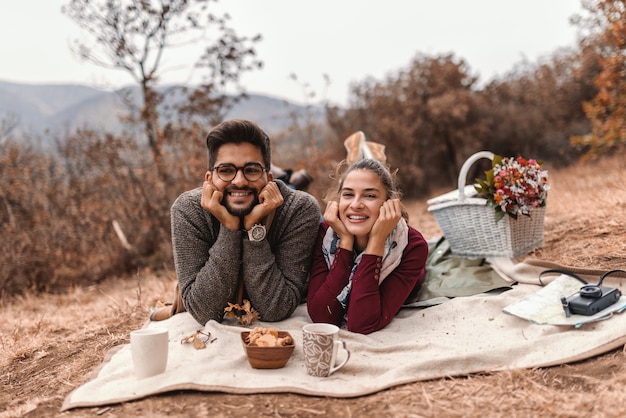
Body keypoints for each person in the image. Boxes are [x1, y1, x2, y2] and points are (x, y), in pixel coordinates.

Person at [154, 119, 320, 326]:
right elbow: (204, 312)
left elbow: (276, 308)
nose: (239, 181)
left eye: (251, 170)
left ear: (269, 177)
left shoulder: (298, 209)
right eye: (226, 170)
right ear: (209, 178)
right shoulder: (188, 210)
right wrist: (230, 228)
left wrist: (254, 230)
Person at [307, 158, 428, 334]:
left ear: (388, 202)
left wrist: (377, 242)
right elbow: (323, 317)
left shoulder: (413, 247)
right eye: (348, 194)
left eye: (370, 195)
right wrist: (346, 242)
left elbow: (361, 323)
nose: (356, 205)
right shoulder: (326, 234)